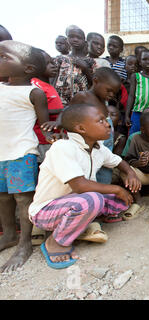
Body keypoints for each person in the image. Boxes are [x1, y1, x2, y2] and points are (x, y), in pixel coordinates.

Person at [29, 104, 141, 269]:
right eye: (100, 120)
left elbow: (118, 161)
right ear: (81, 128)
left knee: (122, 201)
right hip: (46, 210)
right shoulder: (63, 147)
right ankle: (55, 242)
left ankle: (81, 224)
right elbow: (80, 186)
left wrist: (130, 174)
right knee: (92, 200)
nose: (107, 124)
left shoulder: (97, 148)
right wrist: (117, 188)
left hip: (78, 202)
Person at [0, 41, 50, 272]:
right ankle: (9, 234)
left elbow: (44, 123)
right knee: (2, 197)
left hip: (22, 152)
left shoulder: (34, 92)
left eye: (4, 57)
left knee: (22, 198)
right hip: (1, 153)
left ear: (28, 69)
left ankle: (24, 243)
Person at [69, 67, 122, 187]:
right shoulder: (83, 97)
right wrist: (59, 124)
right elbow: (68, 113)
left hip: (105, 144)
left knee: (105, 171)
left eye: (114, 92)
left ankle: (102, 199)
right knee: (88, 171)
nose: (111, 95)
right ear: (96, 81)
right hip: (90, 144)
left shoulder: (103, 101)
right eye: (109, 91)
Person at [31, 49, 64, 164]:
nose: (54, 66)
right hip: (43, 138)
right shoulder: (35, 85)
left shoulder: (48, 84)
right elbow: (35, 110)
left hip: (54, 135)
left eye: (53, 62)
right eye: (48, 64)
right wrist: (62, 110)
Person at [125, 49, 149, 136]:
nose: (148, 62)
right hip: (138, 113)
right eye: (144, 59)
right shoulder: (136, 76)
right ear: (139, 62)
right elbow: (131, 96)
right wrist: (127, 115)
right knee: (134, 136)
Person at [54, 26, 95, 106]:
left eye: (79, 37)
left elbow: (94, 83)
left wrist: (85, 68)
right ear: (67, 40)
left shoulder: (90, 61)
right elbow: (53, 80)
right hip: (61, 102)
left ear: (84, 41)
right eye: (71, 36)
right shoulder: (60, 59)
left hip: (82, 103)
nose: (75, 39)